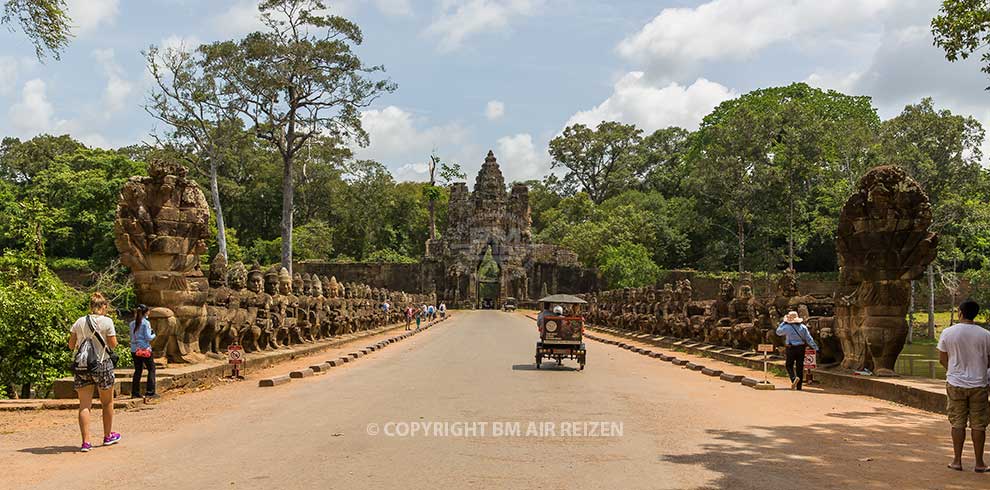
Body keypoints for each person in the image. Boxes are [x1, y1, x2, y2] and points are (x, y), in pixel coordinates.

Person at [938, 300, 990, 473]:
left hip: (955, 384)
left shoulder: (948, 332)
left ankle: (957, 461)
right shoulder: (985, 335)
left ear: (960, 312)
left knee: (957, 423)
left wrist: (953, 371)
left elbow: (942, 358)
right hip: (979, 384)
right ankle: (979, 463)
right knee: (979, 424)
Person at [68, 292, 121, 452]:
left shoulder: (80, 321)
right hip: (102, 365)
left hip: (83, 367)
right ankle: (107, 436)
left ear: (91, 306)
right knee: (107, 403)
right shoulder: (107, 322)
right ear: (104, 306)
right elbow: (113, 344)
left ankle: (86, 442)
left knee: (84, 405)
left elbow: (71, 345)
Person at [775, 310, 818, 391]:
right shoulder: (803, 327)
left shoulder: (786, 327)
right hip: (801, 348)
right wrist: (815, 347)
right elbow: (809, 339)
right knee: (800, 367)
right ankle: (799, 386)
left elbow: (778, 332)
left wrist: (784, 322)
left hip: (791, 348)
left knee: (789, 365)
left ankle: (793, 378)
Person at [129, 304, 157, 399]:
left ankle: (135, 392)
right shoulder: (145, 323)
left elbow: (132, 336)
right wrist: (154, 334)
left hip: (134, 349)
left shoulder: (132, 323)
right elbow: (148, 337)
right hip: (144, 349)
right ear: (145, 313)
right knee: (151, 369)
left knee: (138, 370)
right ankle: (150, 391)